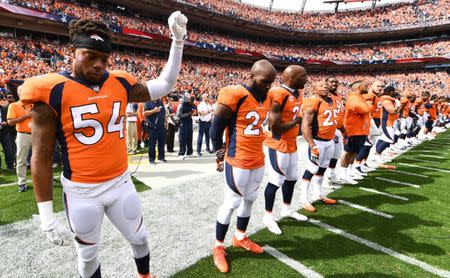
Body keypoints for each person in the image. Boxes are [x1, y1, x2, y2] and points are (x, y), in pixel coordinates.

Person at [20, 12, 187, 278]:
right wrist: (47, 216)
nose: (99, 64)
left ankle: (145, 276)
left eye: (104, 59)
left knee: (140, 239)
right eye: (90, 56)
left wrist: (177, 41)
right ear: (74, 52)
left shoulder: (119, 82)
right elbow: (40, 157)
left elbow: (165, 84)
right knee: (87, 256)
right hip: (82, 192)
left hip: (120, 183)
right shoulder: (53, 90)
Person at [209, 59, 276, 273]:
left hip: (257, 158)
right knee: (231, 203)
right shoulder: (235, 94)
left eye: (272, 82)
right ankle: (218, 246)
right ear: (251, 76)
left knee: (250, 199)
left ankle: (240, 237)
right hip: (237, 158)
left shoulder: (268, 98)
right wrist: (219, 155)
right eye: (265, 81)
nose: (269, 86)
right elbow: (215, 129)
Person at [262, 65, 308, 235]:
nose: (306, 79)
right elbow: (275, 127)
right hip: (278, 142)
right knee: (276, 180)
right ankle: (267, 216)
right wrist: (295, 123)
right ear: (291, 77)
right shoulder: (278, 93)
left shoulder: (297, 92)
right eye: (303, 76)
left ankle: (287, 209)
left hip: (291, 142)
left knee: (292, 178)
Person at [299, 81, 337, 212]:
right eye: (321, 85)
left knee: (322, 168)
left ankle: (317, 194)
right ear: (315, 89)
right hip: (318, 141)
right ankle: (303, 198)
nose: (325, 87)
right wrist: (312, 145)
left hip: (329, 141)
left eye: (326, 85)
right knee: (312, 168)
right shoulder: (313, 101)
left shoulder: (331, 100)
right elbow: (305, 125)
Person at [339, 81, 372, 185]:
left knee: (353, 153)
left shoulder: (359, 97)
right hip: (352, 131)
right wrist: (369, 105)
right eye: (365, 85)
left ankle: (349, 172)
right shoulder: (353, 98)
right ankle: (342, 174)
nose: (367, 87)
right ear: (359, 87)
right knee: (349, 152)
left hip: (360, 130)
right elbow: (365, 109)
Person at [7, 95, 32, 192]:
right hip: (23, 134)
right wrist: (26, 116)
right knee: (21, 160)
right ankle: (22, 182)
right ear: (19, 94)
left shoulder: (35, 104)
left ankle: (46, 179)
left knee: (42, 159)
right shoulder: (14, 105)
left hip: (38, 134)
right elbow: (10, 122)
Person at [373, 86, 404, 164]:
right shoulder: (386, 100)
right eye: (393, 91)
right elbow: (392, 111)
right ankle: (377, 155)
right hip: (387, 122)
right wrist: (398, 105)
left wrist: (399, 106)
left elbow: (395, 112)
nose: (394, 93)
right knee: (389, 139)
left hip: (389, 121)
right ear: (391, 92)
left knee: (383, 138)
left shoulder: (388, 99)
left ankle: (377, 154)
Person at [143, 98, 167, 164]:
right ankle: (151, 159)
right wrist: (154, 110)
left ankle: (161, 157)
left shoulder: (160, 102)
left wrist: (166, 121)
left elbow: (164, 113)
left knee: (162, 143)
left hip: (161, 126)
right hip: (152, 127)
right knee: (152, 144)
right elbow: (144, 113)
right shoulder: (147, 103)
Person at [177, 93, 197, 158]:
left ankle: (190, 152)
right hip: (183, 123)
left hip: (189, 122)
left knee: (189, 138)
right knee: (183, 139)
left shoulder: (191, 105)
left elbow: (194, 113)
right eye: (188, 99)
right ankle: (181, 153)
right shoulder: (181, 105)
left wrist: (194, 113)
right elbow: (178, 115)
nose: (190, 100)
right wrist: (188, 114)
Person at [0, 91, 17, 172]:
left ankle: (10, 165)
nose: (9, 99)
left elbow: (7, 119)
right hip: (6, 131)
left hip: (6, 131)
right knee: (9, 148)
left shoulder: (3, 108)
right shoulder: (4, 108)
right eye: (8, 97)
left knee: (8, 149)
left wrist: (6, 122)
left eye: (11, 97)